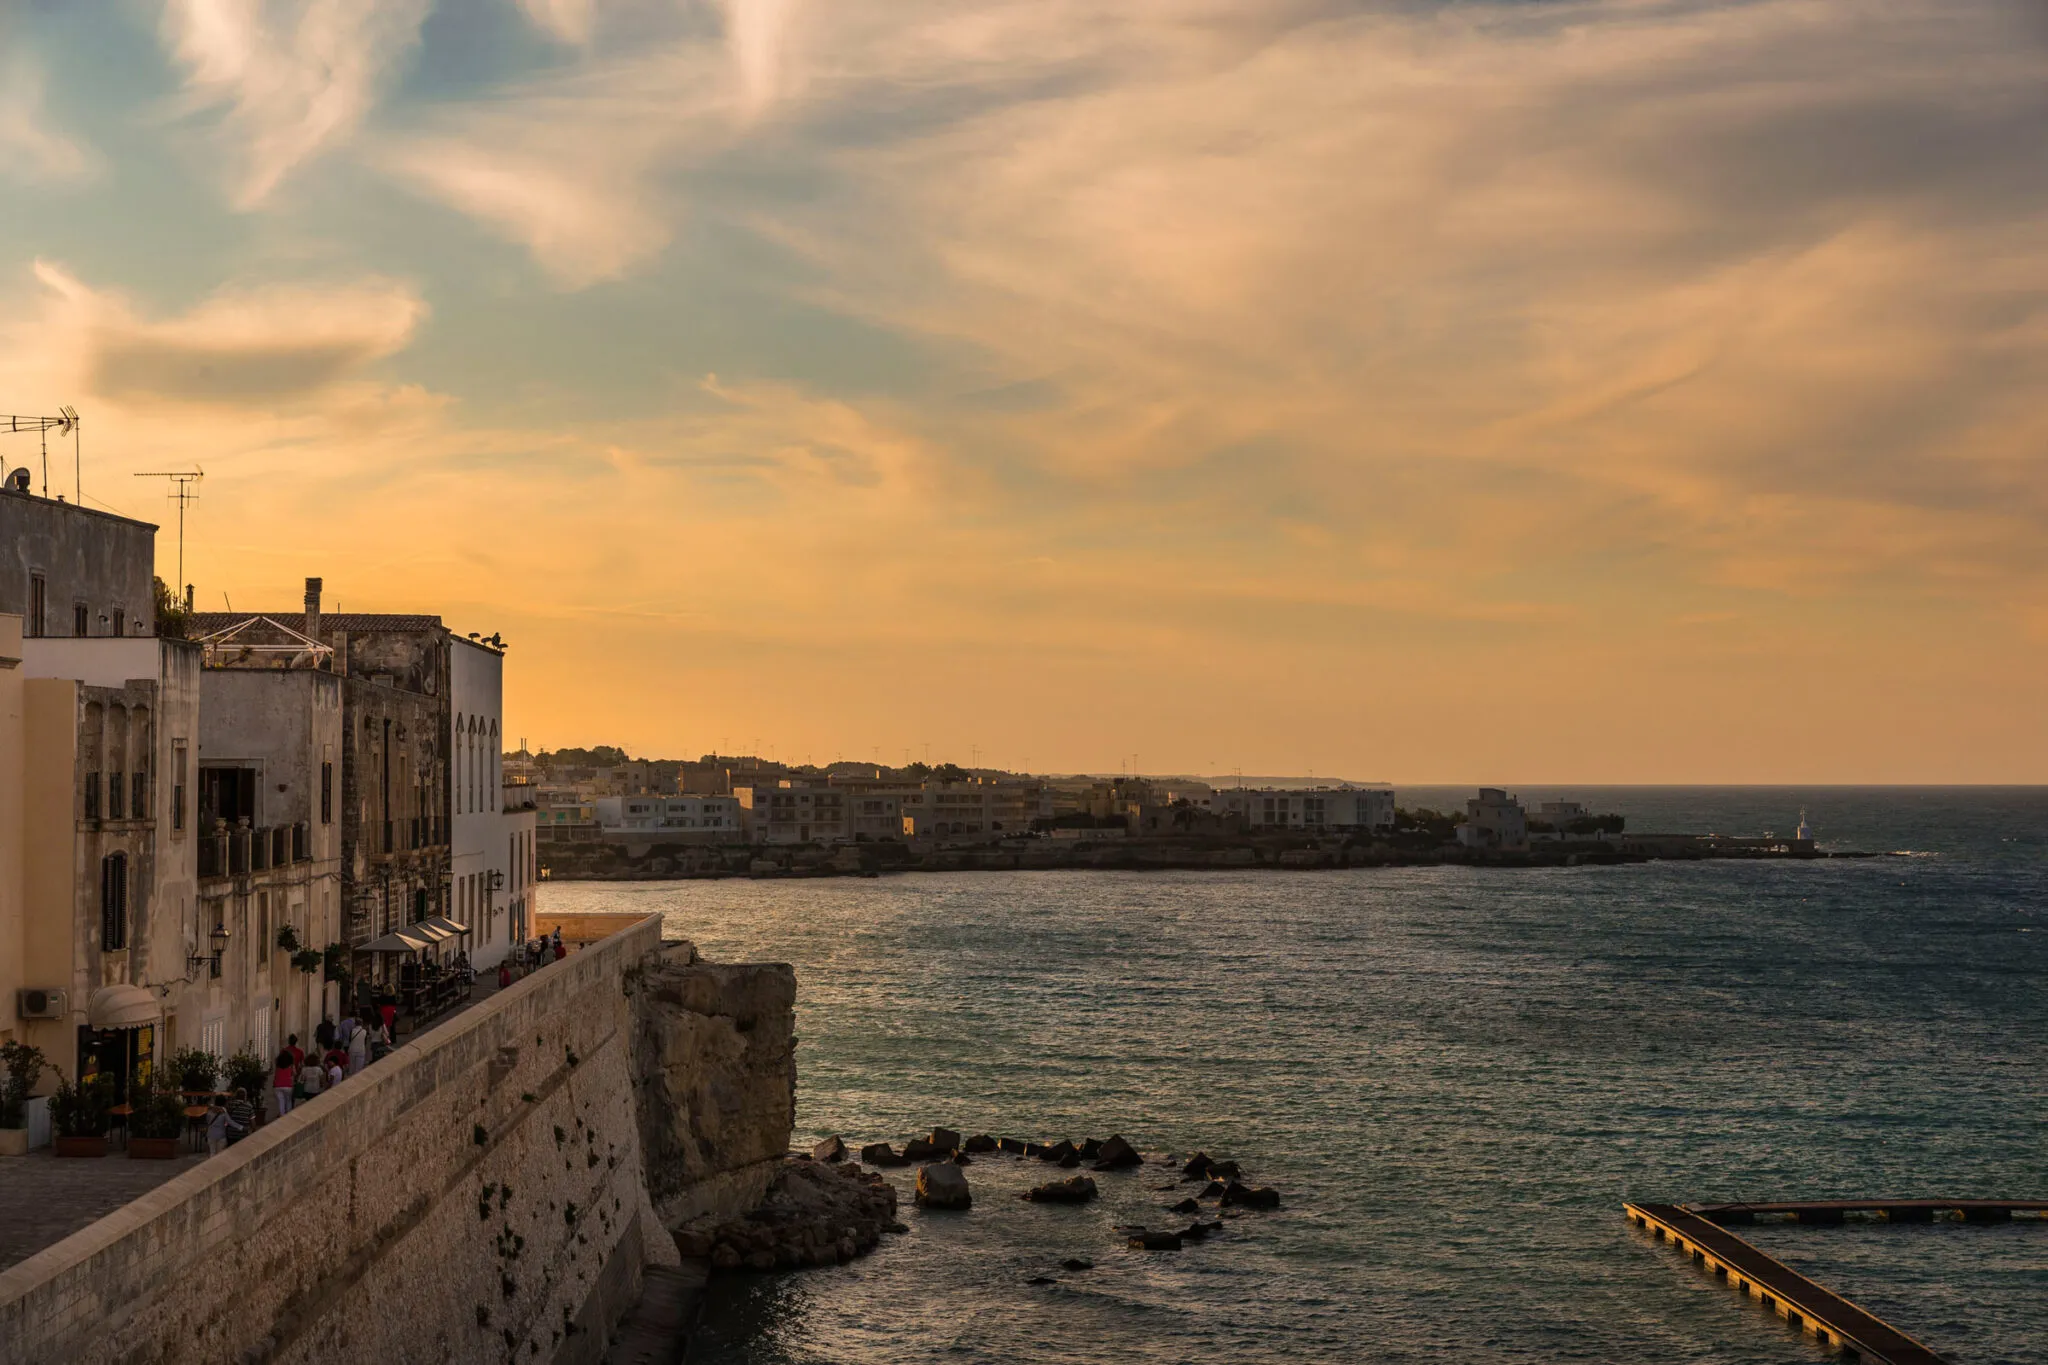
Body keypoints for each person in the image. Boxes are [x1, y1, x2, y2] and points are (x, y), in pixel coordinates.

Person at [272, 1047, 296, 1118]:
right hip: (288, 1085)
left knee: (281, 1102)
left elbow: (275, 1074)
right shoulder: (291, 1065)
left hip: (277, 1085)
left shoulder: (277, 1065)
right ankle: (288, 1117)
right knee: (288, 1101)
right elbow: (295, 1073)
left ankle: (282, 1116)